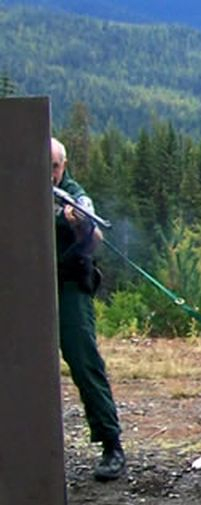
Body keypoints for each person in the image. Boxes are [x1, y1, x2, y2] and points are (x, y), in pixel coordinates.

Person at [51, 136, 125, 481]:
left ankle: (111, 445)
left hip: (68, 288)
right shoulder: (16, 184)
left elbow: (96, 238)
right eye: (46, 165)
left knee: (85, 363)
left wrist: (79, 223)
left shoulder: (74, 194)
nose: (50, 172)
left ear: (63, 166)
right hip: (24, 290)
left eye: (55, 166)